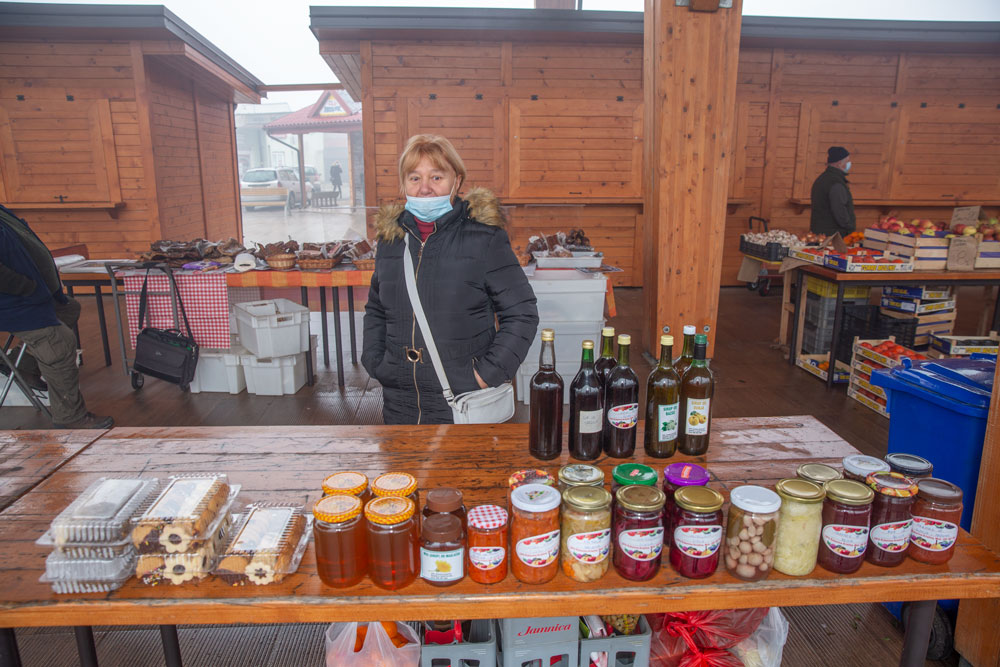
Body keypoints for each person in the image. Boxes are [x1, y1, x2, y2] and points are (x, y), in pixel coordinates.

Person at [362, 134, 539, 424]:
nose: (425, 188)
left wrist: (485, 375)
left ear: (456, 181)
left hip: (462, 400)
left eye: (436, 177)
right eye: (414, 178)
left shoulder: (485, 239)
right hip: (400, 401)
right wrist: (375, 361)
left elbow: (522, 313)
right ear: (403, 184)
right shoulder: (391, 241)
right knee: (402, 456)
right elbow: (376, 308)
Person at [0, 205, 114, 429]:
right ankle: (70, 417)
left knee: (68, 308)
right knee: (58, 340)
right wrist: (27, 287)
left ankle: (24, 365)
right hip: (13, 301)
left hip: (27, 296)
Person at [810, 146, 856, 236]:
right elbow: (839, 210)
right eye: (847, 161)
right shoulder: (835, 182)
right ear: (839, 163)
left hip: (820, 231)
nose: (849, 164)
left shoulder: (822, 178)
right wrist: (850, 228)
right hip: (834, 234)